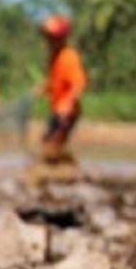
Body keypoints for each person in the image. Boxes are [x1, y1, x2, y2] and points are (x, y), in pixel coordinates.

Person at [38, 15, 87, 165]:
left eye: (52, 38)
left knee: (53, 144)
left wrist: (68, 103)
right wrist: (43, 88)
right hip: (56, 110)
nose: (49, 42)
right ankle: (65, 169)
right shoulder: (54, 57)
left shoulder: (69, 57)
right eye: (48, 38)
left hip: (67, 112)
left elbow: (79, 83)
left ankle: (69, 168)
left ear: (62, 38)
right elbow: (55, 81)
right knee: (46, 141)